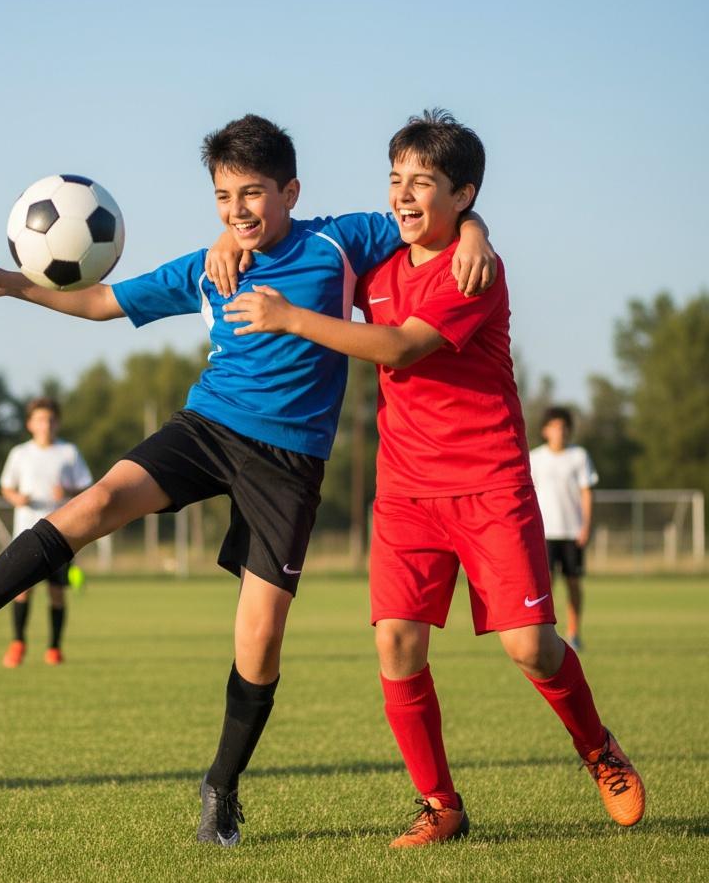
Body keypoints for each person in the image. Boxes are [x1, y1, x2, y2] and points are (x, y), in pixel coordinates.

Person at [0, 113, 494, 847]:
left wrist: (476, 234)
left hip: (289, 463)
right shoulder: (211, 265)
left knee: (260, 636)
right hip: (207, 428)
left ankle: (222, 785)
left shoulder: (341, 240)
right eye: (222, 198)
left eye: (252, 195)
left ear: (290, 191)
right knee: (99, 501)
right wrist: (13, 285)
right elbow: (101, 303)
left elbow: (424, 218)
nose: (237, 212)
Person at [222, 109, 645, 845]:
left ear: (464, 194)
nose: (404, 196)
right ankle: (440, 805)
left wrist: (292, 319)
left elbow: (397, 346)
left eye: (424, 183)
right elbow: (290, 232)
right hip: (407, 492)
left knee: (530, 647)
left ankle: (599, 748)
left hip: (488, 483)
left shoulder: (474, 267)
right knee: (395, 644)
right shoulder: (377, 264)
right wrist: (231, 233)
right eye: (396, 181)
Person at [0, 397, 93, 667]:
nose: (46, 425)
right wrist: (16, 498)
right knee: (22, 591)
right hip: (26, 533)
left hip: (61, 533)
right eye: (40, 419)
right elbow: (6, 486)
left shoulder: (69, 453)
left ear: (58, 423)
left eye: (50, 420)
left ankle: (54, 648)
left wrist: (68, 492)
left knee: (57, 593)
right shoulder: (20, 453)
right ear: (30, 424)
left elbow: (87, 487)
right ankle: (18, 643)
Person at [529, 406, 599, 651]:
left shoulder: (579, 456)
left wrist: (586, 526)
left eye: (563, 427)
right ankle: (549, 634)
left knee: (573, 583)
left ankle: (574, 632)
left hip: (572, 532)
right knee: (545, 587)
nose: (560, 431)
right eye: (555, 427)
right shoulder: (535, 458)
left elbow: (586, 492)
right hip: (544, 533)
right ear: (545, 430)